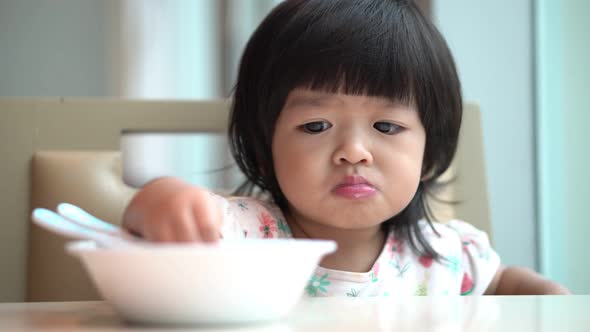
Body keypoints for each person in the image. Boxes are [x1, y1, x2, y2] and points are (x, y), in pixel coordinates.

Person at [122, 0, 569, 296]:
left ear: (430, 153)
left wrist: (546, 297)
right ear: (264, 149)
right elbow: (151, 224)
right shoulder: (244, 237)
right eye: (316, 125)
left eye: (387, 126)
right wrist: (160, 199)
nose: (354, 151)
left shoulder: (450, 257)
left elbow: (500, 288)